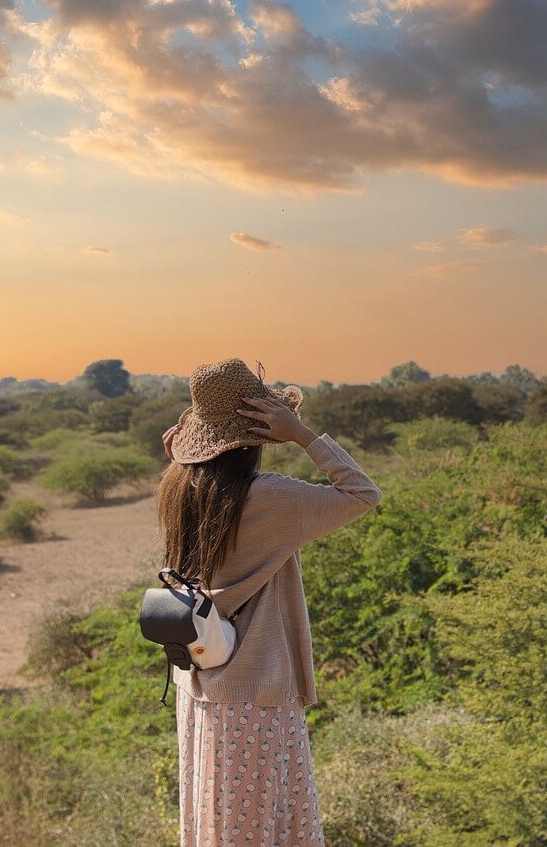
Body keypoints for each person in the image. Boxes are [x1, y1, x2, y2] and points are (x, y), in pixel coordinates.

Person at [155, 359, 382, 845]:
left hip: (198, 682)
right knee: (263, 827)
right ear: (255, 436)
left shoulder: (179, 488)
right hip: (255, 692)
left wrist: (179, 459)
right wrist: (303, 435)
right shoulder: (270, 497)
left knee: (215, 822)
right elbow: (363, 494)